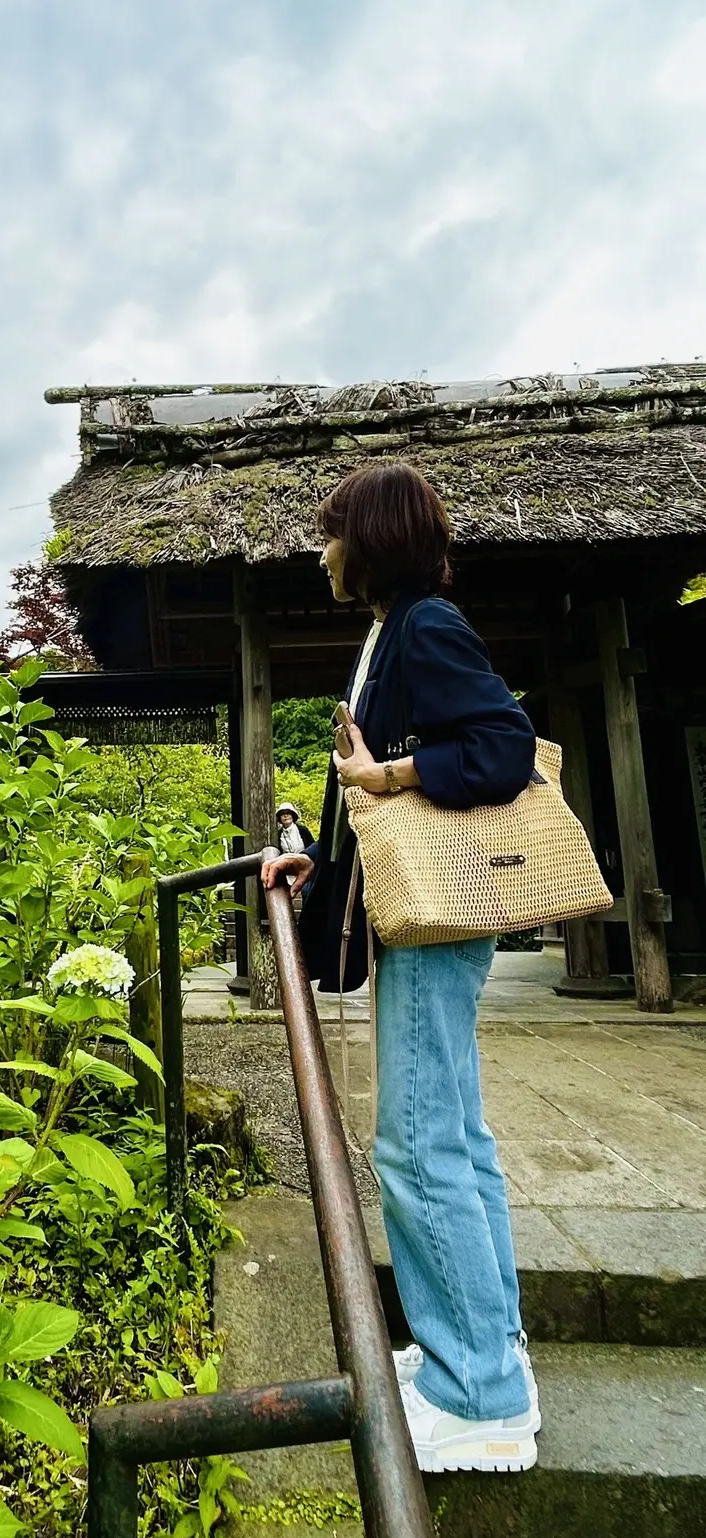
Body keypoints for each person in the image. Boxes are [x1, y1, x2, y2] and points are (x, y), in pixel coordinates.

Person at [260, 461, 541, 1474]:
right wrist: (320, 862)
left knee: (418, 1144)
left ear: (369, 538)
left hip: (436, 923)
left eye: (330, 532)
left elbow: (502, 747)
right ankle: (481, 1350)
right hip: (423, 919)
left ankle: (482, 1400)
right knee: (453, 1136)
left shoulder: (423, 625)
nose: (322, 551)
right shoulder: (397, 628)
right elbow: (372, 814)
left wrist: (392, 771)